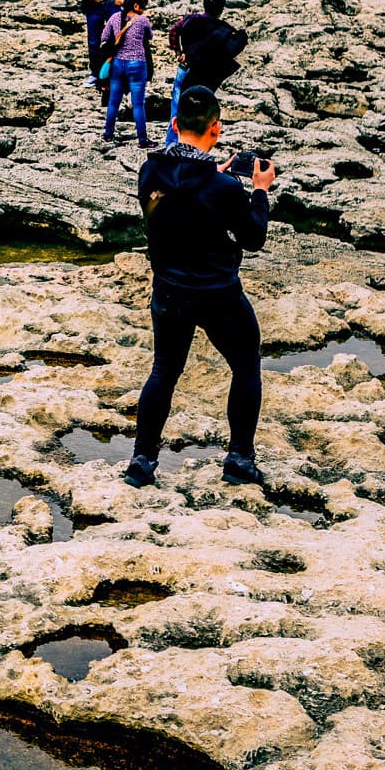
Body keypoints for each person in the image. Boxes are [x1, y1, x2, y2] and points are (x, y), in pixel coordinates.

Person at [124, 86, 276, 489]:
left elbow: (174, 201)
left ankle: (142, 461)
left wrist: (214, 175)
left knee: (164, 371)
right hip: (218, 294)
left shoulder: (150, 171)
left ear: (175, 124)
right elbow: (253, 238)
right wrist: (259, 191)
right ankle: (239, 459)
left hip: (169, 289)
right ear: (215, 128)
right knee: (246, 365)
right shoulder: (223, 189)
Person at [164, 0, 248, 146]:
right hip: (205, 75)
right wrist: (242, 34)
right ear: (221, 9)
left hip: (186, 68)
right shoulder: (222, 29)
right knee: (198, 111)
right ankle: (193, 144)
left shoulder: (191, 19)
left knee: (177, 107)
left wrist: (178, 52)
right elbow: (233, 48)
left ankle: (171, 143)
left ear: (204, 5)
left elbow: (174, 31)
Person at [100, 0, 153, 148]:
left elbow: (104, 37)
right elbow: (150, 36)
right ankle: (142, 139)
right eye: (143, 6)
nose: (143, 9)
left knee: (113, 102)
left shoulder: (115, 17)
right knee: (138, 104)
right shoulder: (143, 20)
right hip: (137, 63)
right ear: (136, 5)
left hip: (117, 62)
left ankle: (108, 134)